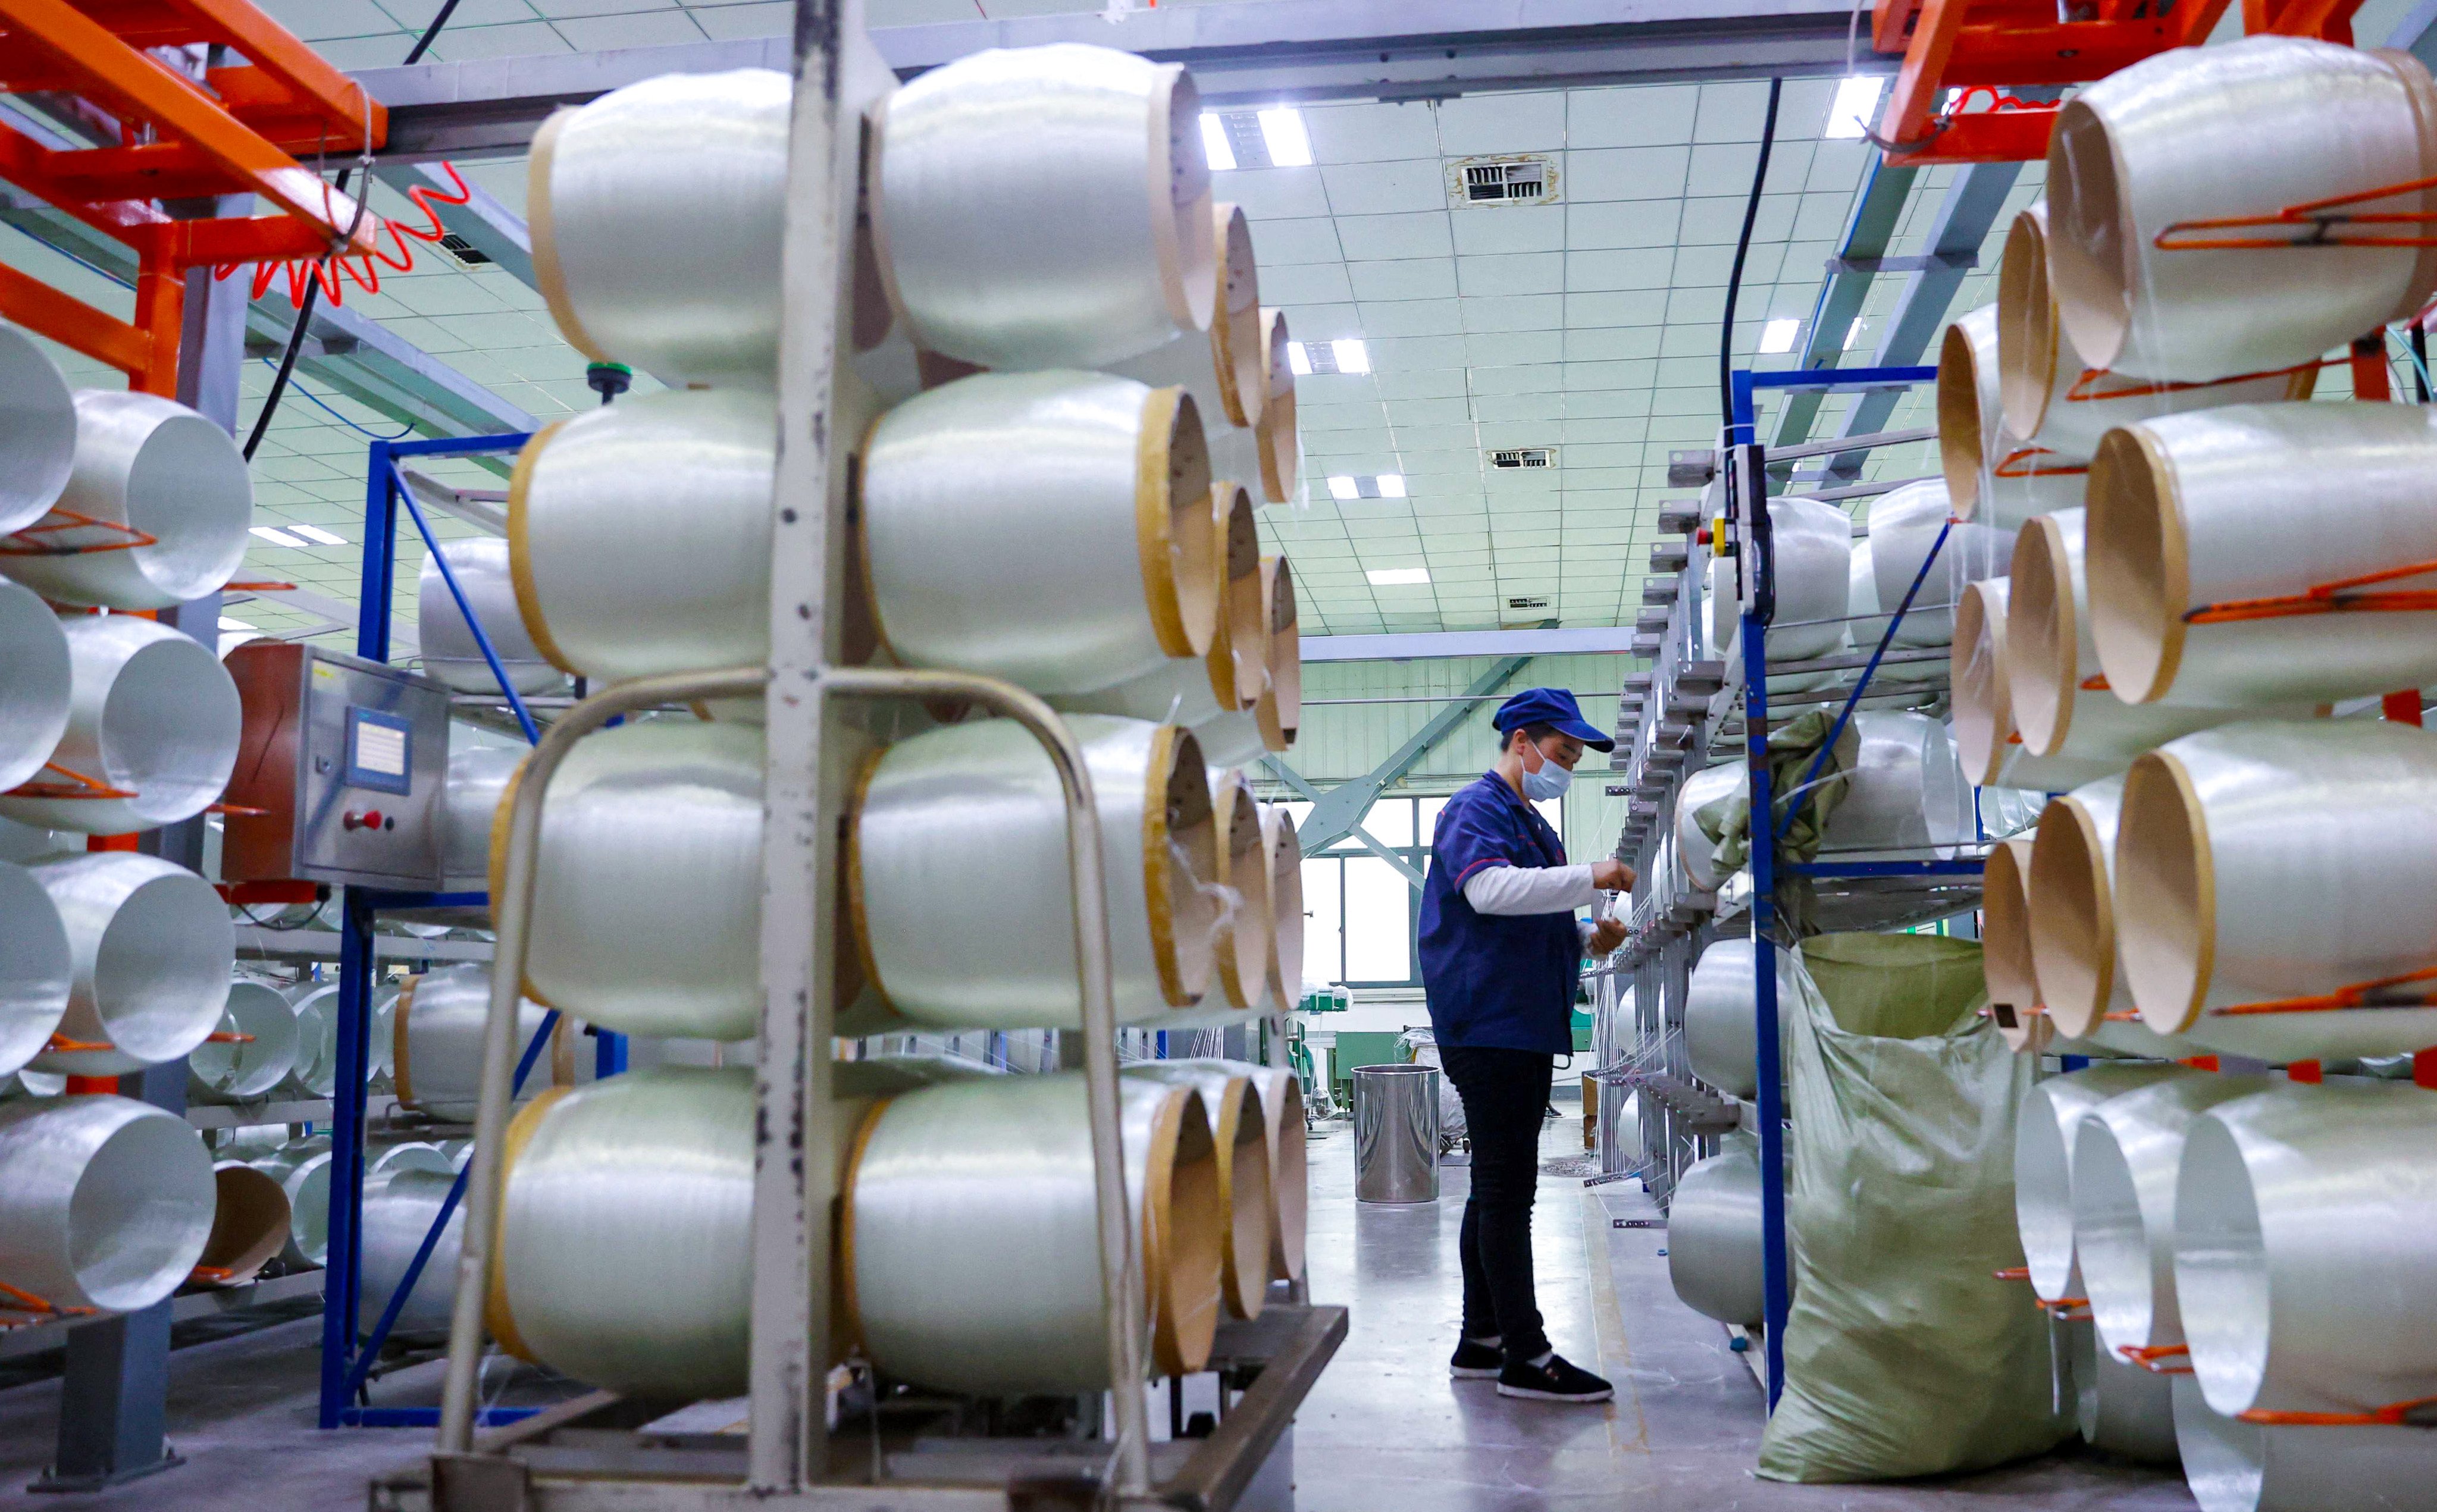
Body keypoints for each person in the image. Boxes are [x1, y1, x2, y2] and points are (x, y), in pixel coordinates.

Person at [1417, 687, 1634, 1404]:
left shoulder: (1530, 824)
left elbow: (1526, 921)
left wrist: (1583, 938)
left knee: (1494, 1189)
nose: (1566, 766)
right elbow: (1487, 894)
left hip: (1515, 1022)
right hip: (1490, 1025)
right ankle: (1526, 1354)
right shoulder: (1475, 809)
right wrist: (1591, 876)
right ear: (1521, 742)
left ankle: (1480, 1340)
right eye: (1562, 752)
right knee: (1510, 1193)